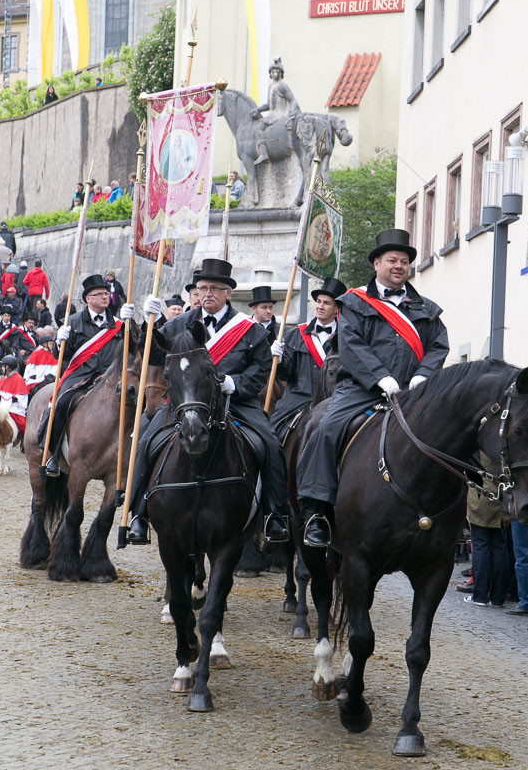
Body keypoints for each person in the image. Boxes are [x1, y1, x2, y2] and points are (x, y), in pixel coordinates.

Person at [297, 228, 449, 547]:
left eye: (404, 261)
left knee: (450, 433)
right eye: (392, 260)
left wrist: (423, 376)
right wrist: (380, 377)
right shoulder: (352, 302)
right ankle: (317, 512)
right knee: (325, 429)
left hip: (413, 391)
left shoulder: (427, 308)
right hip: (360, 389)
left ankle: (450, 512)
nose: (399, 266)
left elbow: (439, 345)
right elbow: (351, 345)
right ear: (377, 263)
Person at [125, 258, 290, 545]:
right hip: (185, 404)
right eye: (202, 288)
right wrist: (150, 323)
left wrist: (235, 384)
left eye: (215, 288)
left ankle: (275, 514)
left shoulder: (250, 329)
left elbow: (261, 369)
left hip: (235, 403)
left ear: (228, 293)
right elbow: (151, 356)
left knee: (270, 444)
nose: (208, 294)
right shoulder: (177, 325)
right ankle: (138, 513)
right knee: (144, 443)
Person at [43, 274, 132, 476]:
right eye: (99, 294)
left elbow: (132, 349)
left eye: (106, 293)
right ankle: (54, 455)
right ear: (88, 299)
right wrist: (59, 342)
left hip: (110, 377)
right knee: (61, 404)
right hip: (80, 377)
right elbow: (61, 356)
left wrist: (130, 324)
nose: (105, 297)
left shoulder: (118, 324)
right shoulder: (73, 322)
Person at [270, 277, 346, 431]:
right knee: (272, 435)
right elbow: (286, 374)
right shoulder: (295, 335)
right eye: (318, 301)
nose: (320, 306)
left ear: (336, 308)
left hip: (334, 401)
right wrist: (278, 361)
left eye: (326, 303)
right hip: (297, 401)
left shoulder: (346, 337)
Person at [465, 464, 512, 607]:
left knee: (481, 547)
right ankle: (498, 597)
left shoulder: (481, 446)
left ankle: (480, 595)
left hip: (481, 498)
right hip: (500, 498)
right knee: (499, 548)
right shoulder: (505, 446)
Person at [251, 58, 300, 166]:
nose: (274, 74)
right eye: (273, 72)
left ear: (280, 73)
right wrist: (258, 109)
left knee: (259, 127)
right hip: (272, 113)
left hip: (279, 113)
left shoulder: (282, 86)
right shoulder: (270, 87)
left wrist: (291, 116)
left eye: (277, 72)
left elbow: (292, 101)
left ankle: (263, 153)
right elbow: (269, 105)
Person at [0, 356, 29, 438]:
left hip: (13, 406)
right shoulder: (3, 378)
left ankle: (23, 438)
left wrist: (17, 398)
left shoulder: (19, 379)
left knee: (21, 424)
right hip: (2, 404)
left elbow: (22, 395)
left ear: (8, 367)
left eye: (3, 366)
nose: (1, 368)